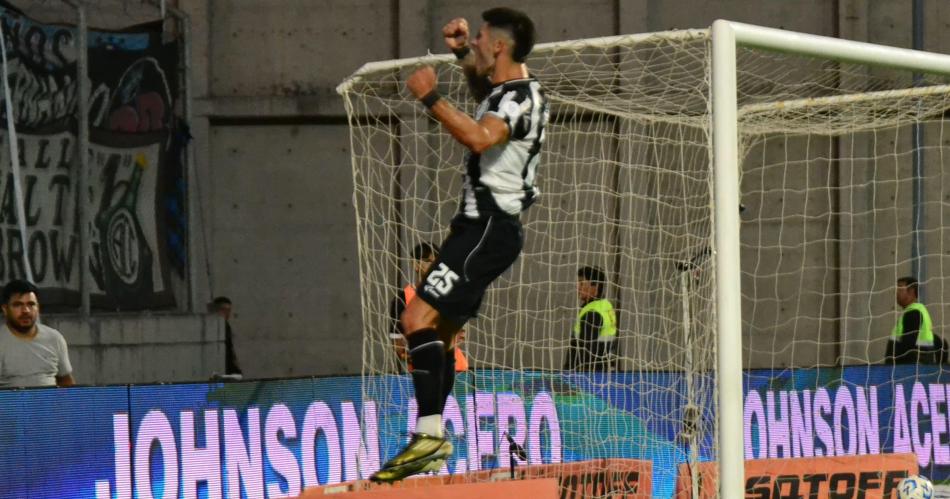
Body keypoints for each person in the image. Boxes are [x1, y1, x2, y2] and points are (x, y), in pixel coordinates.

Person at [371, 7, 547, 483]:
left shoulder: (519, 97)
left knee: (414, 318)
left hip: (485, 227)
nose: (476, 41)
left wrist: (431, 98)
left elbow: (477, 136)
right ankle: (430, 436)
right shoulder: (512, 92)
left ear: (501, 46)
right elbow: (485, 101)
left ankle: (430, 435)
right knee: (442, 333)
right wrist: (460, 56)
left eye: (482, 37)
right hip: (485, 230)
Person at [389, 242, 469, 373]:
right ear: (415, 264)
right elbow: (398, 347)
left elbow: (460, 334)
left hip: (456, 370)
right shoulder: (402, 298)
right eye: (427, 261)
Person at [0, 279, 74, 388]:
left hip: (50, 404)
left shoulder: (54, 338)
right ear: (5, 309)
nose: (26, 311)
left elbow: (66, 382)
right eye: (18, 305)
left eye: (31, 304)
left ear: (38, 308)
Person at [563, 266, 618, 371]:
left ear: (595, 286)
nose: (577, 287)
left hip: (590, 377)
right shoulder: (606, 305)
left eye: (582, 283)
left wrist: (569, 372)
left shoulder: (592, 313)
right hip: (605, 371)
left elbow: (586, 353)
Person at [886, 276, 939, 364]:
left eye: (900, 288)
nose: (896, 293)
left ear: (911, 291)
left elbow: (908, 347)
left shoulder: (913, 313)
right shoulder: (917, 310)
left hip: (910, 370)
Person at [210, 296, 243, 376]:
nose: (227, 314)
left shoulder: (225, 326)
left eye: (229, 310)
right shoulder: (213, 326)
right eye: (224, 310)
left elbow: (229, 347)